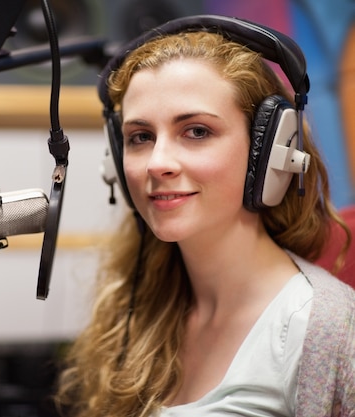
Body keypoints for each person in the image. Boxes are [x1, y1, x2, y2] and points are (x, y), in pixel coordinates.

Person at [54, 15, 355, 417]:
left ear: (270, 153)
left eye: (196, 131)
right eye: (140, 137)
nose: (157, 164)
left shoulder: (327, 330)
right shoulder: (135, 310)